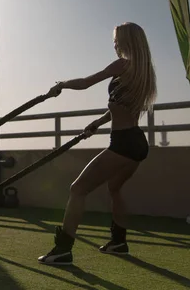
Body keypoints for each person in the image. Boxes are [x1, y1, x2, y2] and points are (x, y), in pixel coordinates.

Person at [38, 22, 157, 265]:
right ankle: (119, 243)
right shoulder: (143, 71)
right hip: (136, 143)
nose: (114, 45)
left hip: (123, 144)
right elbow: (121, 108)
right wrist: (98, 122)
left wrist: (61, 85)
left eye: (117, 41)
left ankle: (62, 250)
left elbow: (86, 82)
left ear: (127, 42)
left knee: (77, 189)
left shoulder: (122, 65)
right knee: (114, 189)